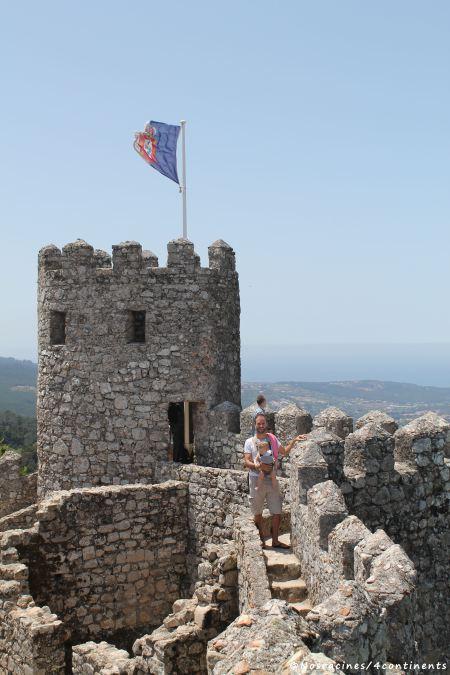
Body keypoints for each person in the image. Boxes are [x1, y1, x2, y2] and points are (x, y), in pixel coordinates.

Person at [244, 413, 307, 548]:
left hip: (271, 478)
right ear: (255, 425)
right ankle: (261, 540)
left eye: (263, 423)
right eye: (259, 423)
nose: (261, 426)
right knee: (257, 512)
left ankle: (275, 541)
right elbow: (247, 461)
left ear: (266, 424)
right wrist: (257, 465)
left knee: (277, 511)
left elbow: (284, 451)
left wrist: (295, 440)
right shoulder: (249, 442)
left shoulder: (272, 440)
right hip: (256, 479)